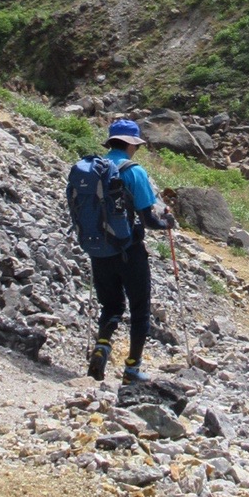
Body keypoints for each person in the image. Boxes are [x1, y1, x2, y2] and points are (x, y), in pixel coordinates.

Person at [87, 118, 175, 385]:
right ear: (131, 144)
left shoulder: (94, 168)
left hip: (99, 249)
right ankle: (132, 369)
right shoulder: (133, 171)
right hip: (130, 250)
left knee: (111, 304)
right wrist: (167, 223)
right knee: (139, 309)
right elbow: (148, 219)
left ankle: (102, 345)